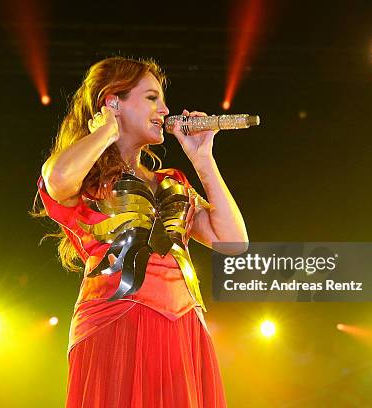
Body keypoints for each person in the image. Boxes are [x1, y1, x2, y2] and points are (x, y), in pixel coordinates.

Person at [34, 56, 248, 407]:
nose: (165, 109)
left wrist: (203, 159)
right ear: (113, 100)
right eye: (152, 98)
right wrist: (107, 130)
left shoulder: (172, 182)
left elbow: (234, 243)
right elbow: (56, 181)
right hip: (115, 325)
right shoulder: (87, 180)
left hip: (182, 327)